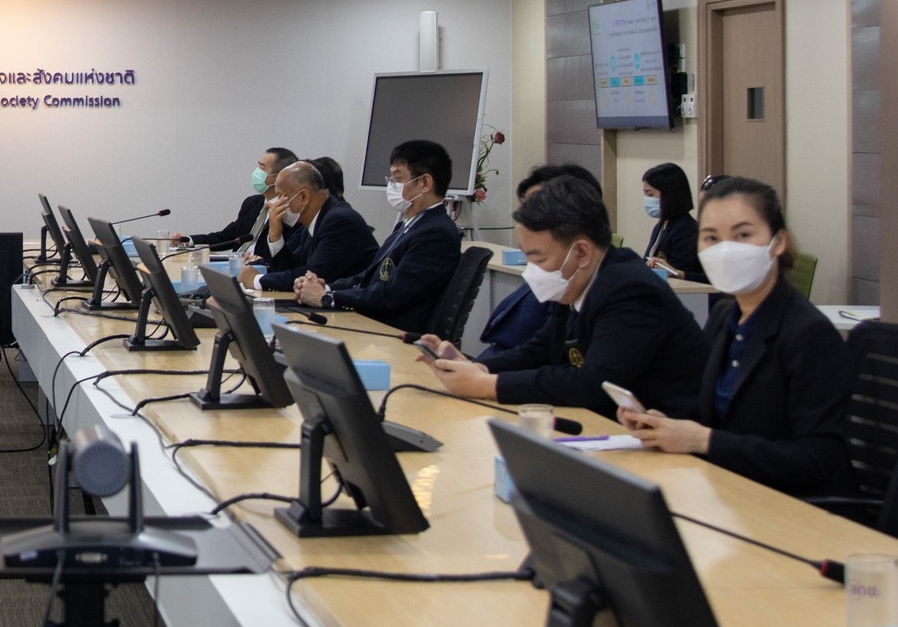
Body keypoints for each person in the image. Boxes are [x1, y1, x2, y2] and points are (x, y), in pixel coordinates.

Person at [621, 177, 855, 495]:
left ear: (778, 242)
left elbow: (818, 460)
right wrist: (662, 424)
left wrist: (704, 440)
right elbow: (711, 414)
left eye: (743, 235)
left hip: (788, 503)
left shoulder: (809, 333)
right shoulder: (723, 316)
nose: (725, 250)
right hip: (724, 487)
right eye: (711, 238)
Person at [422, 175, 708, 419]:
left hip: (670, 440)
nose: (531, 271)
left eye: (538, 259)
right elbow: (541, 349)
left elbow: (593, 384)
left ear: (581, 252)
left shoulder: (630, 290)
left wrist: (487, 385)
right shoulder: (577, 280)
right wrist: (477, 368)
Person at [294, 139, 462, 334]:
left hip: (392, 333)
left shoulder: (436, 234)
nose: (391, 186)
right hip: (374, 322)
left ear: (425, 183)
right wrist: (325, 287)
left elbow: (392, 295)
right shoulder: (408, 225)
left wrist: (327, 298)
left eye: (397, 179)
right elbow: (368, 277)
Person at [474, 163, 603, 358]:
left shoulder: (616, 292)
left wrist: (485, 374)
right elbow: (537, 349)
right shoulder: (561, 283)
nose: (527, 217)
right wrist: (478, 368)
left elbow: (577, 372)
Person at [241, 160, 377, 294]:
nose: (276, 204)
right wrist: (275, 236)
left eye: (281, 196)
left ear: (304, 197)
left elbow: (310, 276)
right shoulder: (313, 221)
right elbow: (291, 268)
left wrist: (257, 280)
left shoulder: (339, 221)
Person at [171, 146, 297, 251]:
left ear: (278, 177)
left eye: (262, 167)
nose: (256, 171)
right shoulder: (252, 203)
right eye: (258, 165)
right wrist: (188, 240)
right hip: (236, 264)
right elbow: (228, 236)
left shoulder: (290, 211)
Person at [642, 162, 703, 281]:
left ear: (669, 194)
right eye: (645, 194)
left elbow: (677, 271)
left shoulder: (686, 229)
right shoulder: (660, 226)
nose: (647, 199)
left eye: (650, 194)